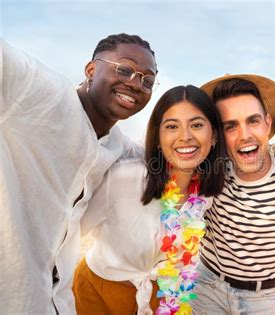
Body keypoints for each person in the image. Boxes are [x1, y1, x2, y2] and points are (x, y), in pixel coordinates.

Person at [0, 34, 157, 314]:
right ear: (91, 69)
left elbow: (161, 155)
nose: (135, 83)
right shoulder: (38, 92)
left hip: (53, 301)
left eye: (148, 80)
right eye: (124, 69)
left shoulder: (116, 144)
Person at [72, 85, 226, 315]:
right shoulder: (124, 178)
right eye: (172, 126)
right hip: (98, 292)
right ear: (158, 137)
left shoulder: (206, 194)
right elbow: (70, 231)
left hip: (161, 299)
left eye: (196, 125)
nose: (185, 136)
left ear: (213, 135)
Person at [188, 74, 275, 314]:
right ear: (217, 135)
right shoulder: (207, 171)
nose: (244, 135)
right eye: (230, 126)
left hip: (265, 298)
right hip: (206, 286)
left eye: (253, 121)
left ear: (267, 123)